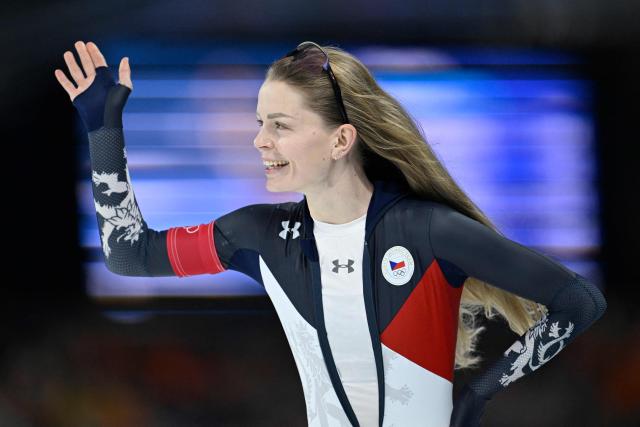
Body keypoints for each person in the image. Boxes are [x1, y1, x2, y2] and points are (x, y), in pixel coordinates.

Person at [55, 40, 607, 427]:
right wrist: (104, 129)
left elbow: (578, 300)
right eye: (259, 123)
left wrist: (480, 395)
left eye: (280, 125)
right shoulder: (258, 235)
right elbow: (128, 256)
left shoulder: (428, 230)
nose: (260, 142)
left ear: (341, 140)